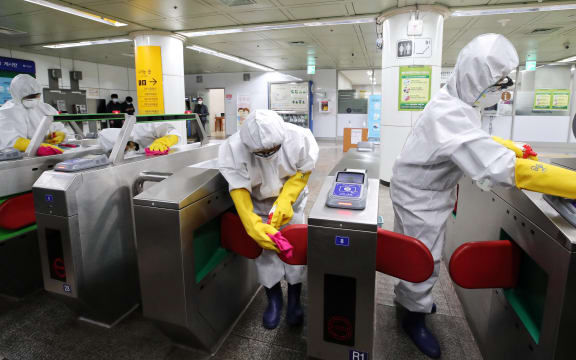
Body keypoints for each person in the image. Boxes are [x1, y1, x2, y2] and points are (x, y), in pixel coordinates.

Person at [390, 33, 576, 359]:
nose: (499, 93)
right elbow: (498, 168)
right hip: (419, 195)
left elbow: (472, 138)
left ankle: (410, 300)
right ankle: (411, 317)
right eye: (496, 85)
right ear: (477, 78)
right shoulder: (448, 112)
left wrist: (512, 147)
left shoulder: (457, 101)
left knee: (418, 252)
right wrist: (570, 183)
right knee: (424, 255)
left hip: (429, 189)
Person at [218, 109, 318, 330]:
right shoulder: (232, 149)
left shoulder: (299, 137)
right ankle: (274, 301)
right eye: (260, 153)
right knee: (265, 255)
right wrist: (250, 221)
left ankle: (294, 299)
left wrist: (287, 199)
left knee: (295, 251)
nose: (267, 155)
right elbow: (238, 186)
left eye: (272, 150)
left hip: (293, 204)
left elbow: (304, 170)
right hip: (259, 205)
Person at [0, 74, 70, 155]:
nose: (33, 99)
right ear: (17, 95)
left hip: (49, 155)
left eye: (36, 95)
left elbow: (60, 129)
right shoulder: (6, 112)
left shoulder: (47, 108)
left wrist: (62, 135)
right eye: (29, 96)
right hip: (19, 160)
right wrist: (39, 147)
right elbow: (10, 142)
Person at [98, 123, 180, 155]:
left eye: (125, 147)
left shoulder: (144, 129)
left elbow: (173, 132)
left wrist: (164, 141)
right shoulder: (106, 141)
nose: (127, 149)